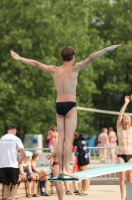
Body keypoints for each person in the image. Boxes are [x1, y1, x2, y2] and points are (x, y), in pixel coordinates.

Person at [10, 44, 121, 178]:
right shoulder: (75, 68)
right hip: (70, 104)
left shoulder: (55, 70)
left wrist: (20, 58)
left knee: (61, 138)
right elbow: (91, 57)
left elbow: (37, 64)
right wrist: (106, 49)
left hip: (59, 105)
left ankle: (61, 169)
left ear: (62, 57)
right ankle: (65, 170)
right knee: (68, 139)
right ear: (72, 57)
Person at [0, 124, 26, 200]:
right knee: (15, 184)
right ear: (14, 130)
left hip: (3, 165)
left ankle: (7, 198)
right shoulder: (16, 139)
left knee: (7, 184)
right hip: (12, 164)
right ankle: (13, 198)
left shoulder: (1, 138)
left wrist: (2, 161)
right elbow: (24, 154)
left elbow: (0, 153)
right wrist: (18, 162)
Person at [116, 95, 132, 200]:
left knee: (129, 177)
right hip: (121, 154)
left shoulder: (131, 129)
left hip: (130, 154)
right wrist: (126, 102)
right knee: (121, 176)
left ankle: (129, 196)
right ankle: (122, 197)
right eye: (124, 124)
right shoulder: (119, 127)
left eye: (127, 124)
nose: (125, 126)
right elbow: (120, 115)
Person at [46, 125, 63, 200]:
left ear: (55, 131)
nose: (49, 135)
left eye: (50, 133)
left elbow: (55, 152)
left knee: (56, 182)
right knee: (60, 183)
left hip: (57, 163)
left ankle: (60, 199)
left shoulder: (57, 139)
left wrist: (50, 157)